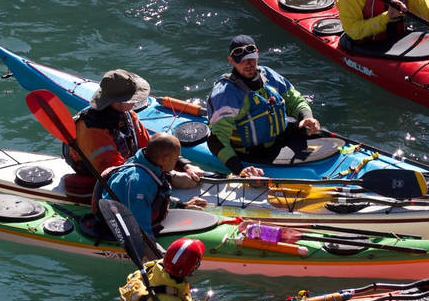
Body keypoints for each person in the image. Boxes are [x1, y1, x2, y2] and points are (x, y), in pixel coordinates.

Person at [64, 67, 203, 186]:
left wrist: (184, 165)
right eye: (133, 98)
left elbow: (150, 149)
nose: (137, 101)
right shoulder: (91, 129)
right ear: (119, 102)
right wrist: (169, 177)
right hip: (105, 178)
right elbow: (114, 173)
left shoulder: (128, 115)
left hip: (128, 167)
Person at [206, 34, 321, 178]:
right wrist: (240, 170)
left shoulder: (268, 75)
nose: (248, 64)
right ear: (231, 61)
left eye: (252, 58)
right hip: (251, 152)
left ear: (257, 55)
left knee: (316, 129)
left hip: (279, 138)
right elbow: (216, 141)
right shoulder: (226, 94)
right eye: (242, 60)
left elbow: (294, 99)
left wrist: (306, 116)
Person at [101, 133, 207, 239]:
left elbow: (155, 196)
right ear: (165, 159)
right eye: (175, 159)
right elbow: (138, 229)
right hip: (124, 231)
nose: (175, 163)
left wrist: (181, 205)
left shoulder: (149, 165)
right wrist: (154, 252)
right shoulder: (139, 183)